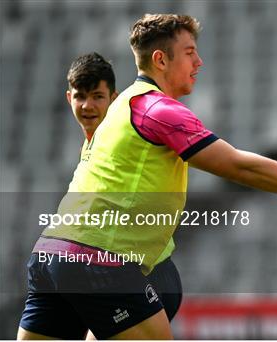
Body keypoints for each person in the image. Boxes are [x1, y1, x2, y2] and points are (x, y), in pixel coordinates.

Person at [18, 14, 277, 340]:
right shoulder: (158, 110)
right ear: (161, 59)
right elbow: (239, 166)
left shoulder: (121, 105)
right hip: (98, 259)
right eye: (190, 52)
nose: (199, 61)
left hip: (51, 255)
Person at [65, 52, 184, 339]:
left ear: (114, 98)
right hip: (112, 272)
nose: (88, 106)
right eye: (81, 96)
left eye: (97, 96)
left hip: (146, 274)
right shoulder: (92, 147)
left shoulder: (126, 135)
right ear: (69, 98)